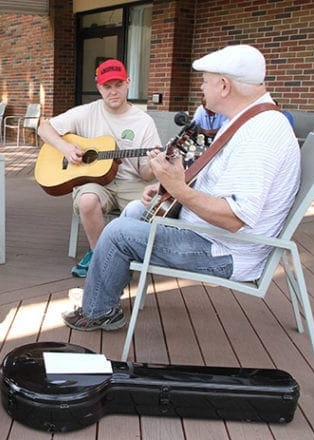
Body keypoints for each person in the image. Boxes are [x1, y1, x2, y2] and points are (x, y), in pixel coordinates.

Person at [61, 44, 300, 332]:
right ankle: (105, 288)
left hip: (224, 250)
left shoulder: (260, 134)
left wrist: (179, 188)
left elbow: (234, 218)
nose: (202, 87)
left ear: (224, 86)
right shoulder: (249, 120)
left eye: (205, 81)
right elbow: (220, 185)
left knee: (117, 232)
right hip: (212, 235)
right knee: (138, 208)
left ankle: (97, 310)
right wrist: (170, 191)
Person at [37, 59, 161, 278]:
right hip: (94, 183)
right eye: (107, 86)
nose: (113, 91)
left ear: (128, 83)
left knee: (156, 209)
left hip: (131, 183)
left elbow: (144, 173)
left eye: (118, 84)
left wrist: (156, 163)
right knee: (87, 200)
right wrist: (65, 148)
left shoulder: (143, 122)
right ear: (99, 87)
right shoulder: (86, 112)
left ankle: (125, 253)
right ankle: (100, 255)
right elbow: (44, 128)